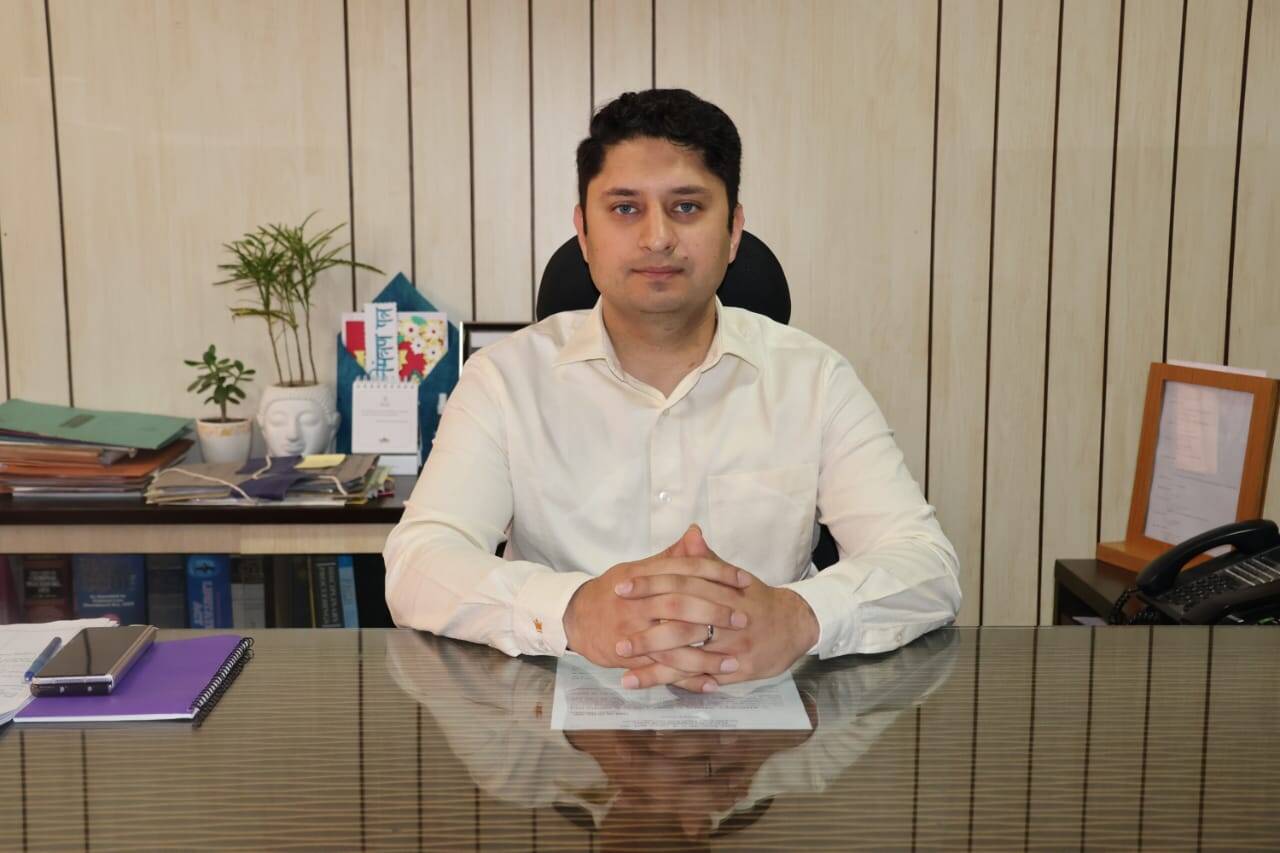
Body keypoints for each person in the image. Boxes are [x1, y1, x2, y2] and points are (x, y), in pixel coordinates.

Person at [384, 88, 961, 693]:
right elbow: (419, 562)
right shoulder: (504, 380)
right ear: (583, 233)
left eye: (687, 207)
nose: (657, 237)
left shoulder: (814, 378)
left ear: (733, 231)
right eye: (625, 208)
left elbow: (925, 563)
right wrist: (572, 612)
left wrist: (799, 617)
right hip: (558, 719)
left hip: (765, 718)